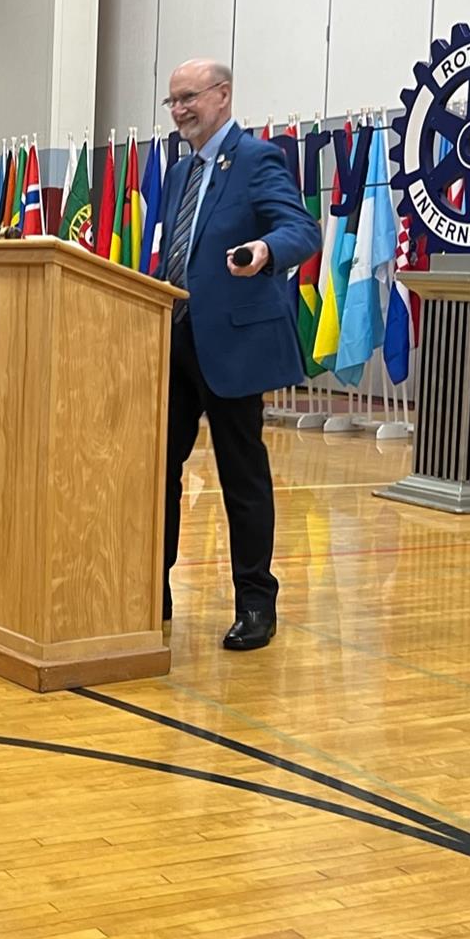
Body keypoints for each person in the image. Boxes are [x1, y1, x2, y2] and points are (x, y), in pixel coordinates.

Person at [156, 59, 320, 652]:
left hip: (233, 346)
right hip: (173, 341)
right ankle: (151, 590)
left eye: (190, 98)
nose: (180, 110)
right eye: (173, 101)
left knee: (241, 477)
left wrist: (264, 250)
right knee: (157, 472)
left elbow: (301, 230)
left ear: (222, 95)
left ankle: (255, 603)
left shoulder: (256, 159)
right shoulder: (179, 171)